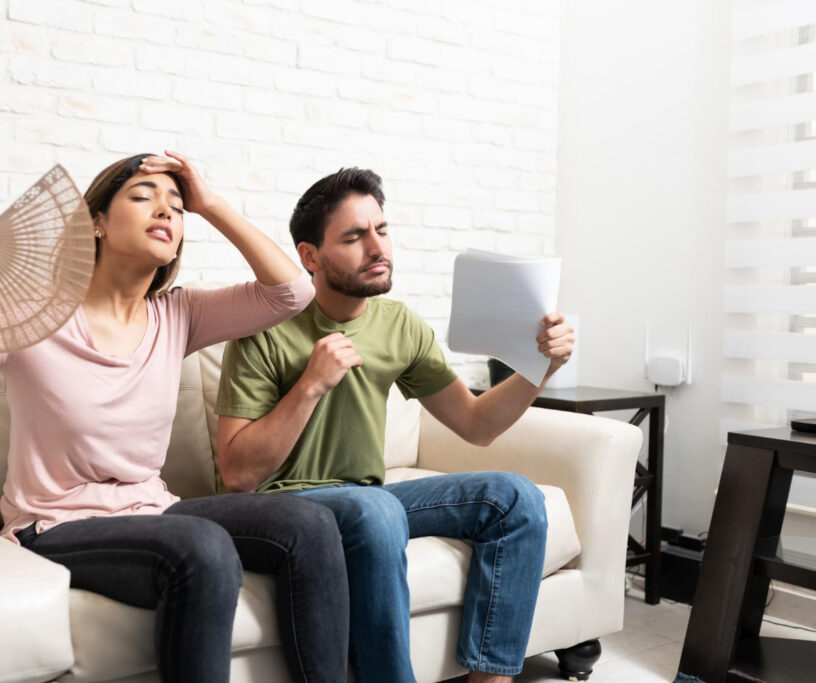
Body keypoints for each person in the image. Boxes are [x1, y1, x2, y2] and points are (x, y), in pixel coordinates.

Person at [0, 152, 349, 683]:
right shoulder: (31, 314)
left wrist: (211, 205)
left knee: (311, 523)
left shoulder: (178, 313)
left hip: (154, 512)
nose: (164, 211)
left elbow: (292, 293)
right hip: (54, 525)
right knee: (202, 547)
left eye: (176, 206)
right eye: (142, 197)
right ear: (95, 222)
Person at [215, 167, 575, 683]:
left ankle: (490, 679)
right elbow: (238, 475)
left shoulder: (398, 324)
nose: (376, 247)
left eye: (381, 230)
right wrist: (310, 385)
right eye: (354, 237)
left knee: (516, 499)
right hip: (280, 506)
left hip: (364, 500)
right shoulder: (262, 327)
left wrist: (540, 366)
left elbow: (476, 425)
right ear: (310, 256)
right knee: (376, 508)